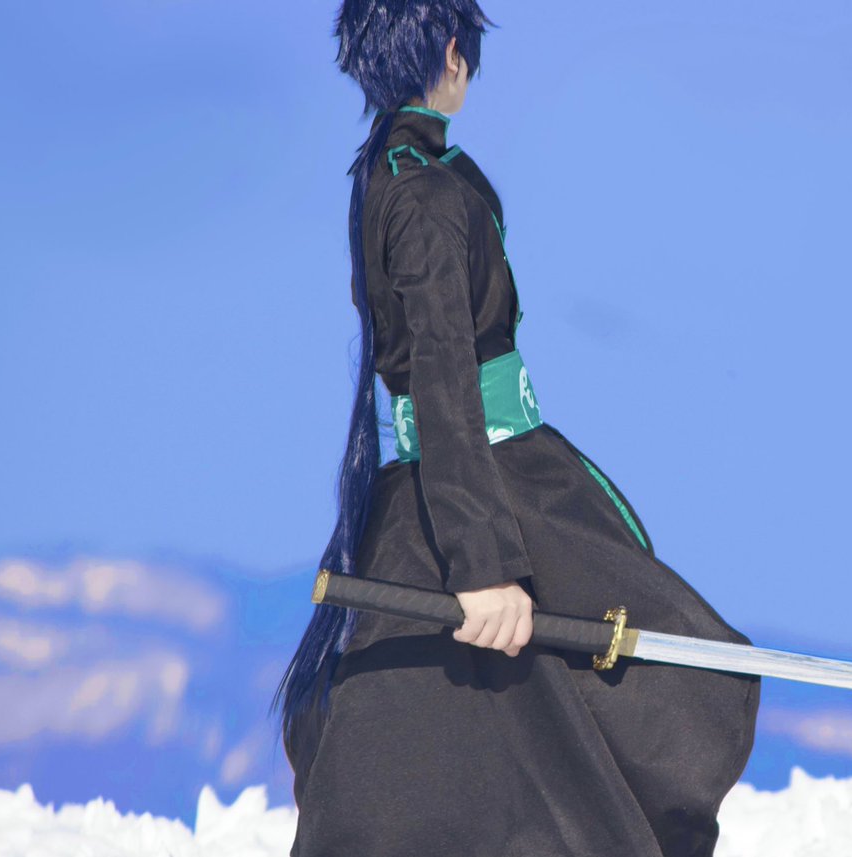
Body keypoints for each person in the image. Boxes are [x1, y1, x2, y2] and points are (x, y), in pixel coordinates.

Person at [273, 3, 761, 854]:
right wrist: (485, 567)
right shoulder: (423, 193)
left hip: (475, 478)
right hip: (486, 485)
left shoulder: (398, 172)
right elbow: (443, 378)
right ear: (452, 54)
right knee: (680, 679)